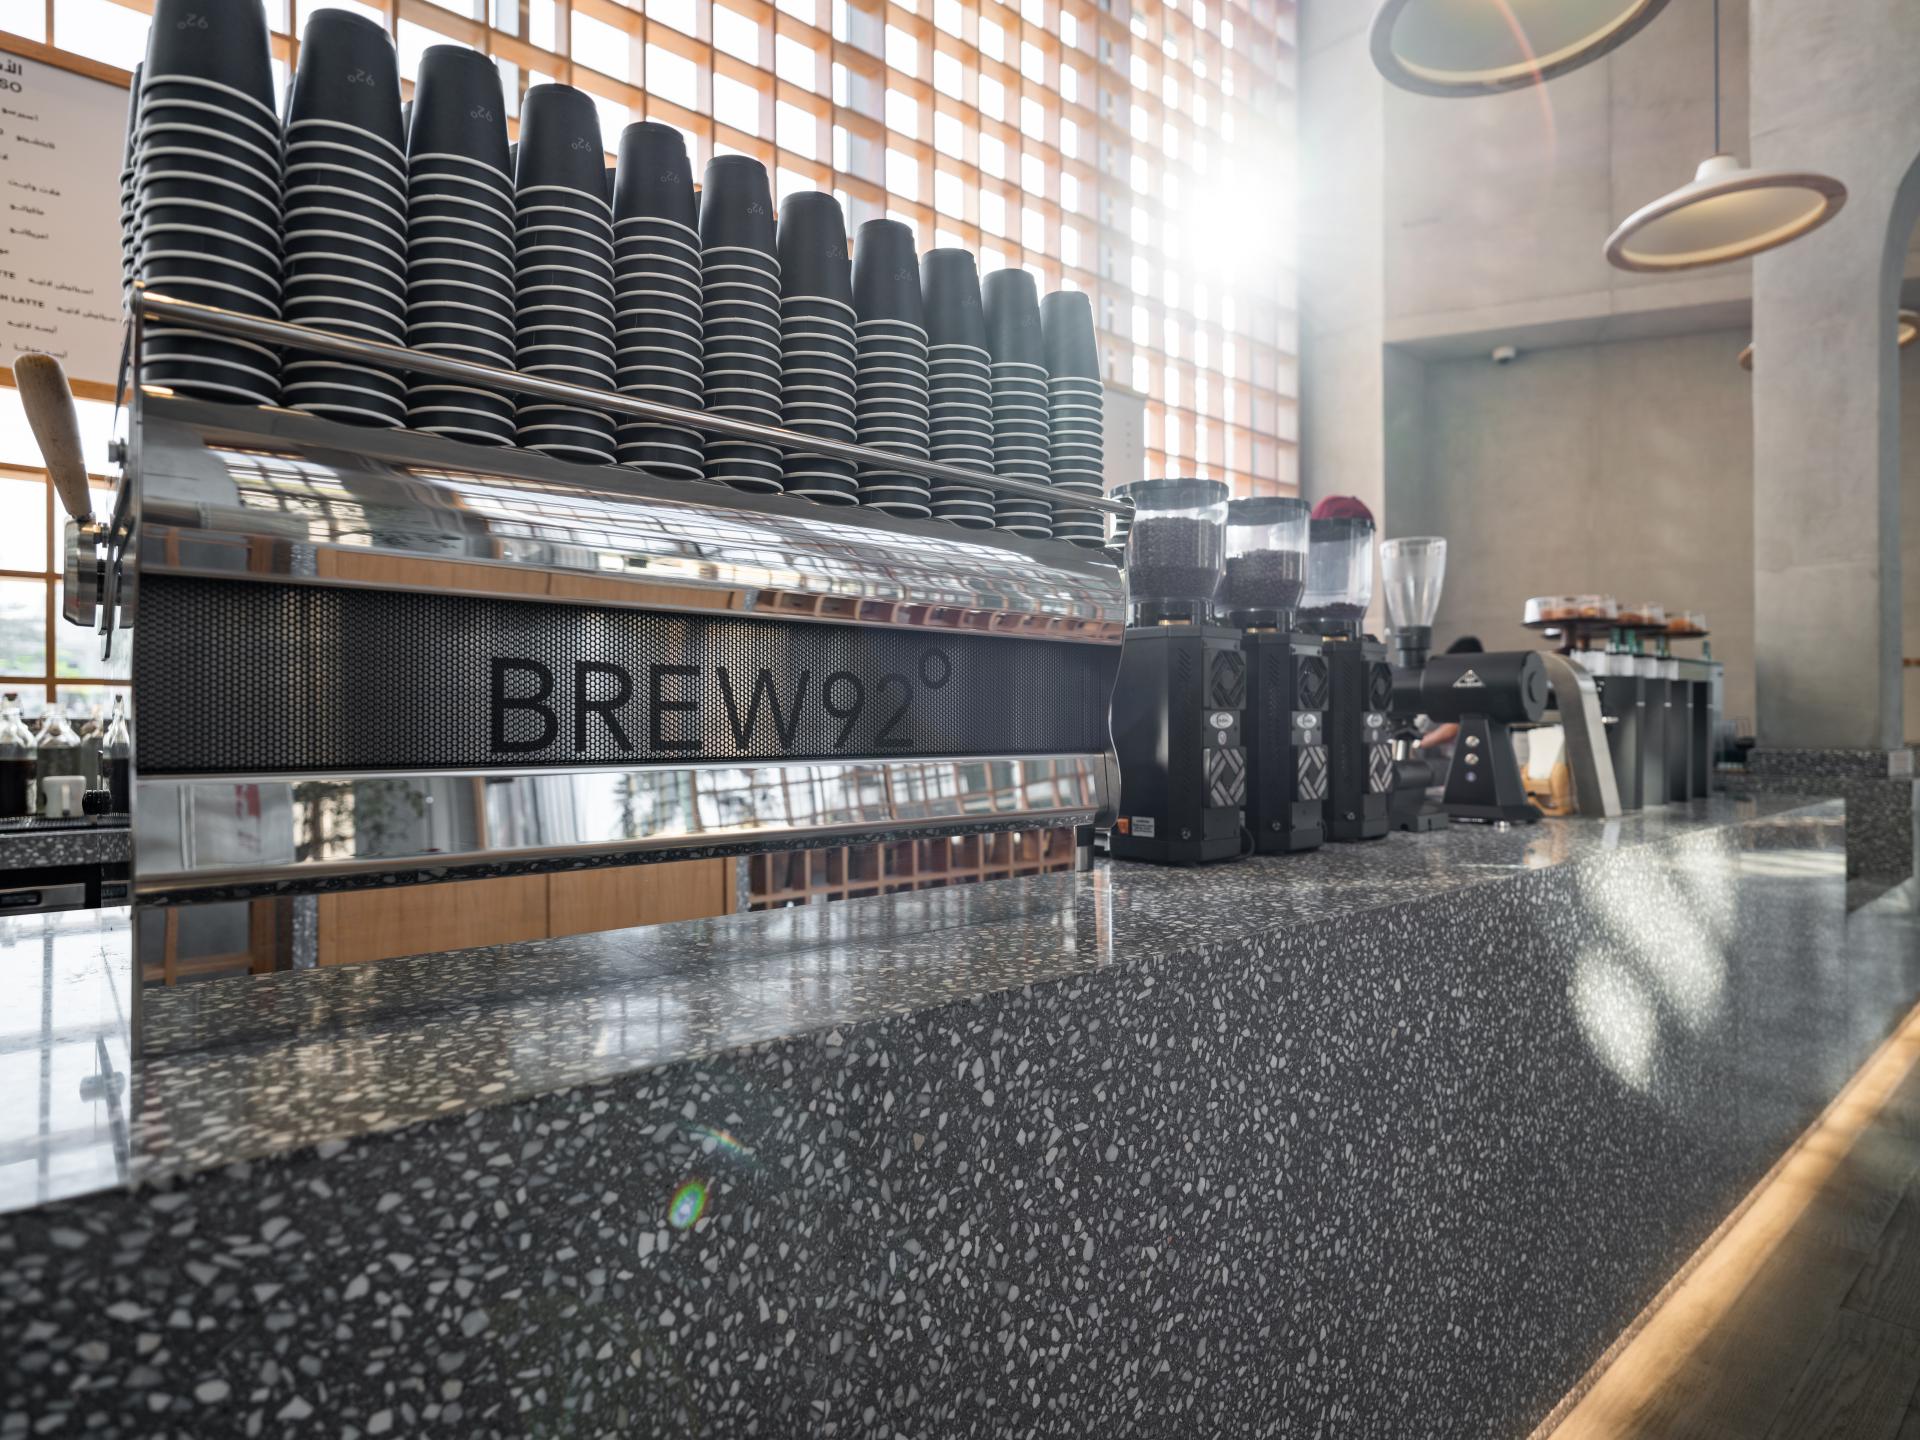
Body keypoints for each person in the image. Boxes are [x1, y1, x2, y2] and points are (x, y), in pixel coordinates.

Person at [1417, 635, 1483, 786]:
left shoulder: (1474, 689)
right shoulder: (1451, 690)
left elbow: (1450, 730)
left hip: (1462, 762)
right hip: (1443, 757)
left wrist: (1418, 743)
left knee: (1419, 771)